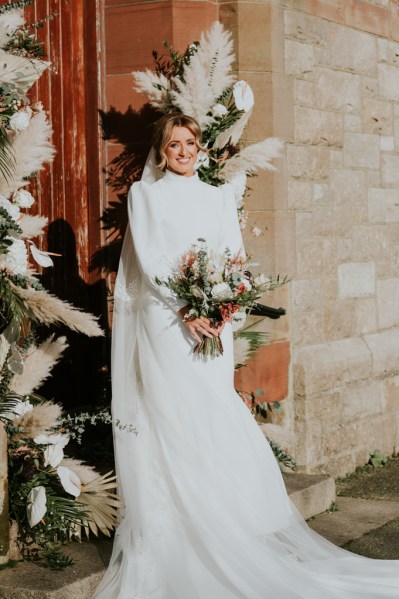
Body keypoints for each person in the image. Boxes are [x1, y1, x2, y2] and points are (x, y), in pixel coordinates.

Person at [93, 114, 399, 598]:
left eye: (190, 142)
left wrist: (219, 308)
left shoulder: (217, 196)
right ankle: (173, 533)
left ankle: (221, 522)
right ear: (161, 150)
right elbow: (150, 260)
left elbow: (233, 257)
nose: (184, 151)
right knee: (170, 416)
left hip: (212, 323)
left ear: (200, 146)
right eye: (174, 144)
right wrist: (184, 311)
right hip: (166, 324)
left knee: (212, 416)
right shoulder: (144, 195)